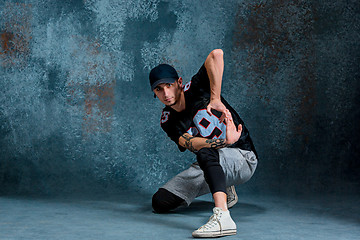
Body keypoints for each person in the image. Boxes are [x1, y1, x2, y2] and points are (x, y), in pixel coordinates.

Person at [149, 49, 258, 238]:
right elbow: (190, 143)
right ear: (155, 93)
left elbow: (216, 54)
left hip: (243, 156)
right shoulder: (167, 121)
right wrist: (222, 141)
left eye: (169, 85)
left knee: (205, 153)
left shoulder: (197, 88)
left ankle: (223, 218)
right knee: (160, 202)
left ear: (180, 83)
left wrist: (215, 98)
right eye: (159, 89)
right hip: (212, 159)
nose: (166, 93)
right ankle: (224, 184)